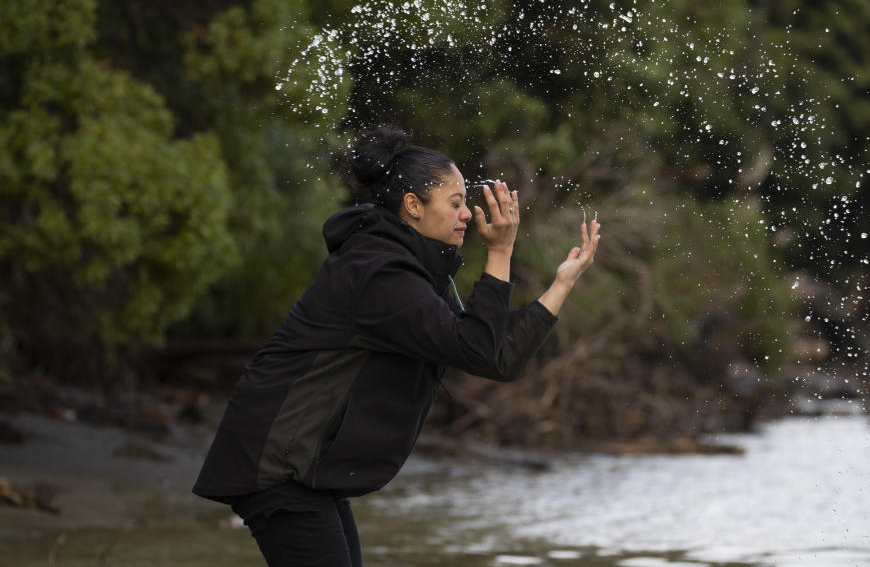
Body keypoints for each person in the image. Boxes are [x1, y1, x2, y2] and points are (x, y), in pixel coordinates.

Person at [193, 125, 601, 567]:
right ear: (413, 205)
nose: (467, 214)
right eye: (456, 202)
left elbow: (496, 358)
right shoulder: (380, 272)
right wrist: (499, 255)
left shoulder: (411, 272)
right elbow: (478, 349)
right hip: (276, 464)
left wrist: (561, 284)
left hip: (304, 471)